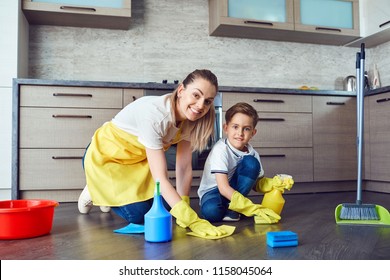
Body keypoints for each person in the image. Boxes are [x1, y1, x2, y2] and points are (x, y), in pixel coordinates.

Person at [78, 69, 227, 238]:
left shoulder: (189, 121)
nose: (200, 106)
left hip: (138, 161)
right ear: (181, 91)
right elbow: (160, 178)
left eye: (207, 101)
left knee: (170, 209)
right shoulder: (156, 116)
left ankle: (106, 193)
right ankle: (94, 188)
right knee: (141, 215)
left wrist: (184, 203)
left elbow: (184, 167)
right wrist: (192, 220)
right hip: (106, 158)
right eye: (196, 95)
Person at [198, 102, 291, 223]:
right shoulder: (220, 150)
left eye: (246, 129)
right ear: (226, 128)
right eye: (235, 127)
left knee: (251, 163)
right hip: (214, 191)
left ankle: (233, 209)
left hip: (233, 191)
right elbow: (223, 188)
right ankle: (234, 207)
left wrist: (274, 183)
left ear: (253, 133)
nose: (240, 133)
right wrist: (248, 206)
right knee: (212, 212)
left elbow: (257, 184)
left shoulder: (253, 154)